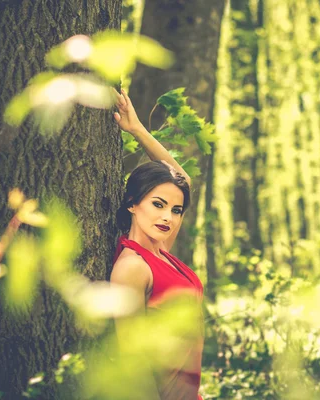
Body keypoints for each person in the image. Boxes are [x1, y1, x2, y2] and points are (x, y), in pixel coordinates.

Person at [110, 88, 204, 400]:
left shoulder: (161, 250)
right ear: (133, 204)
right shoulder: (132, 267)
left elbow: (182, 181)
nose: (168, 217)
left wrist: (136, 128)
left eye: (176, 210)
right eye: (158, 204)